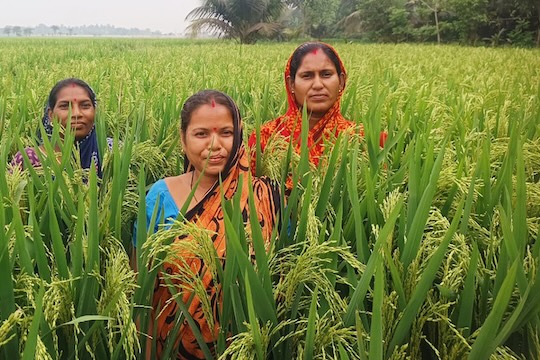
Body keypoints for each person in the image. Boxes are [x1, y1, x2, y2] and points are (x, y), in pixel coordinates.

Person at [135, 90, 280, 359]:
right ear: (183, 139)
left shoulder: (265, 197)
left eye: (226, 133)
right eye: (201, 134)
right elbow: (142, 287)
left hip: (244, 347)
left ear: (239, 135)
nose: (215, 144)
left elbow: (280, 277)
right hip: (171, 347)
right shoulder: (160, 195)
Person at [248, 41, 386, 174]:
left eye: (326, 74)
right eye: (307, 76)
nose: (318, 85)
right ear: (291, 84)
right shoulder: (265, 138)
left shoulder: (363, 138)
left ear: (341, 81)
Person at [10, 77, 110, 178]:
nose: (76, 114)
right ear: (51, 115)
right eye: (65, 106)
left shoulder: (111, 152)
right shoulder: (29, 159)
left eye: (85, 105)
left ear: (95, 111)